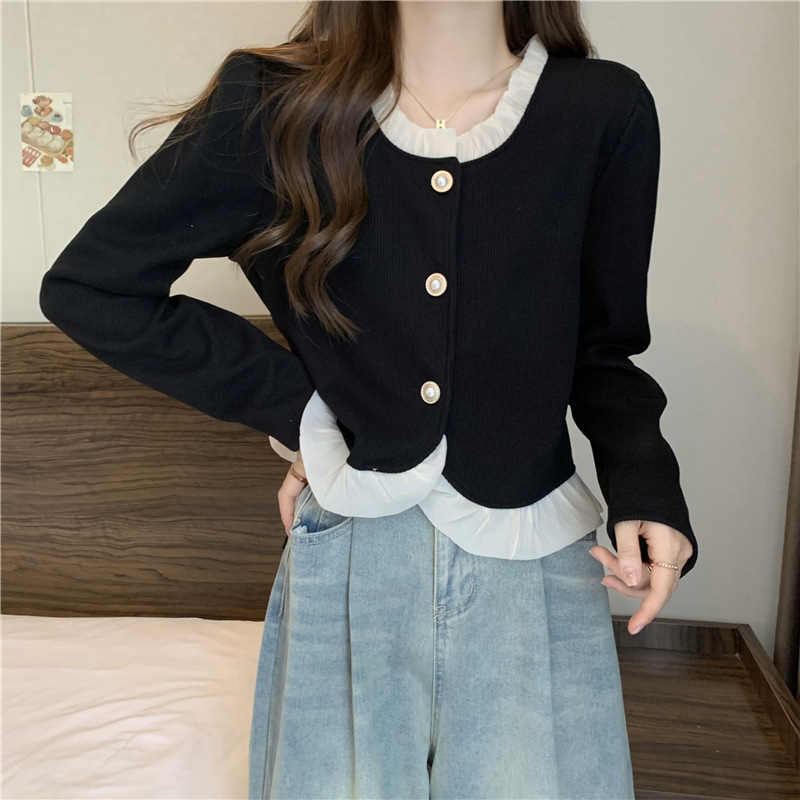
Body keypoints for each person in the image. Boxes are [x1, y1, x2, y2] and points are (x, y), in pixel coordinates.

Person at [39, 1, 697, 797]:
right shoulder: (272, 105)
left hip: (532, 562)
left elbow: (600, 345)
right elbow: (93, 287)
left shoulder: (601, 110)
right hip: (352, 555)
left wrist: (646, 485)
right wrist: (306, 412)